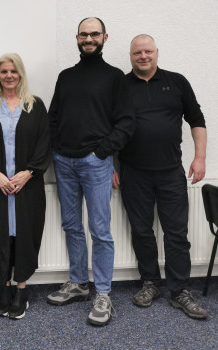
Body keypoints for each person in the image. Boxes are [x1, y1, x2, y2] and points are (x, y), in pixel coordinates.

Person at [46, 17, 135, 326]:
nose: (88, 38)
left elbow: (126, 122)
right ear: (77, 38)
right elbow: (53, 115)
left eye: (94, 34)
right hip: (64, 162)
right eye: (84, 34)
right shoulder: (66, 76)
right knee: (71, 225)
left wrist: (101, 152)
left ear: (104, 37)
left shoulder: (115, 78)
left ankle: (103, 293)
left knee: (100, 230)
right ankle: (78, 283)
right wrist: (56, 148)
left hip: (95, 162)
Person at [114, 34, 208, 319]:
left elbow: (197, 119)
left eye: (148, 51)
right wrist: (110, 166)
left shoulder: (177, 81)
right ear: (130, 56)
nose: (143, 56)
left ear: (157, 52)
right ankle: (151, 283)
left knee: (176, 234)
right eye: (137, 53)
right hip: (133, 172)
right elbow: (108, 129)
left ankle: (180, 290)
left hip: (170, 172)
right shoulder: (120, 87)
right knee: (142, 232)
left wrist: (200, 157)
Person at [0, 53, 51, 320]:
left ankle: (22, 290)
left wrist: (26, 174)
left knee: (25, 235)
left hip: (28, 187)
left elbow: (44, 144)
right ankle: (4, 288)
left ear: (21, 74)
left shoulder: (35, 106)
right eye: (4, 71)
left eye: (13, 71)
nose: (9, 76)